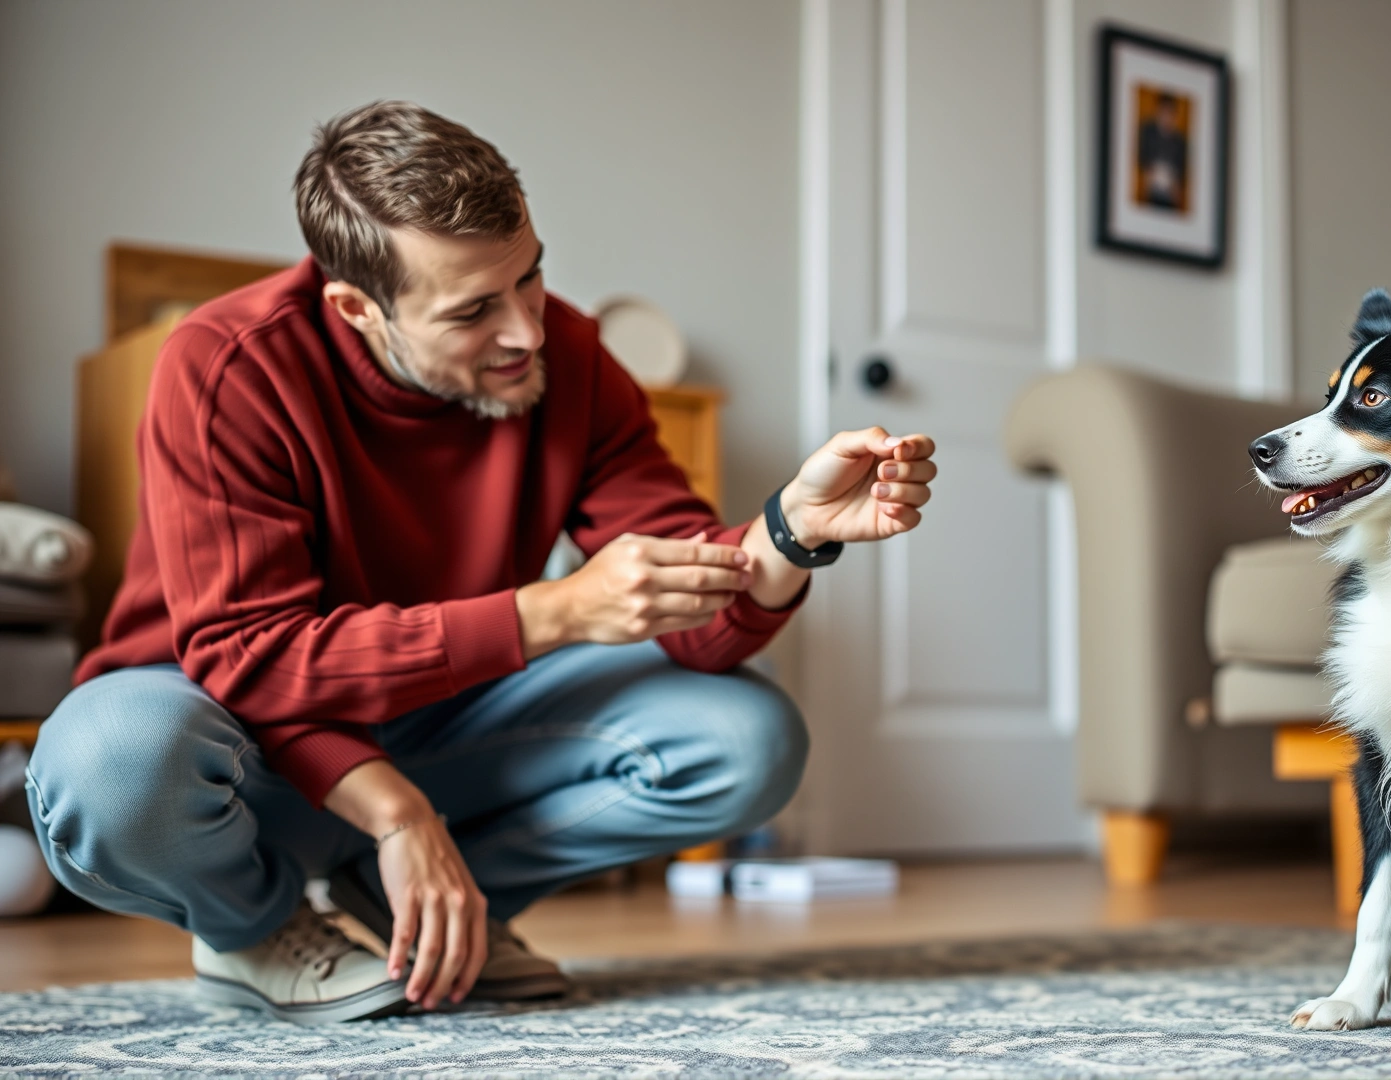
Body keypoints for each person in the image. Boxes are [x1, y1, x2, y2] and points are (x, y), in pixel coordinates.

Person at [24, 101, 937, 1024]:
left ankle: (420, 911)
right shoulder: (227, 365)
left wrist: (787, 531)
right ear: (355, 308)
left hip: (442, 721)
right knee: (112, 762)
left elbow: (698, 633)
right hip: (231, 750)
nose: (527, 332)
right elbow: (252, 657)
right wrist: (406, 801)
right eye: (472, 311)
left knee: (747, 735)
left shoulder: (573, 357)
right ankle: (253, 929)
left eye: (530, 279)